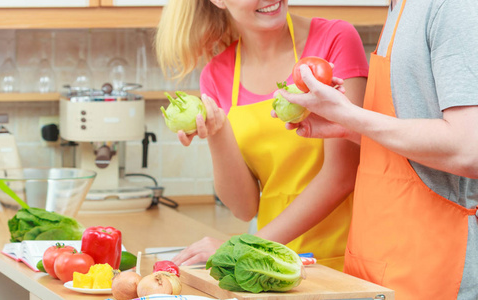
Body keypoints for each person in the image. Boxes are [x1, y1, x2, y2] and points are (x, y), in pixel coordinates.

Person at [275, 0, 478, 299]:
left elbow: (468, 149)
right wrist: (349, 129)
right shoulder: (399, 7)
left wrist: (351, 115)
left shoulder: (451, 5)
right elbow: (418, 151)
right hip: (378, 269)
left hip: (431, 273)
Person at [155, 0, 368, 271]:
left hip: (344, 261)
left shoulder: (334, 39)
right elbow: (244, 207)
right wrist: (218, 132)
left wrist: (245, 246)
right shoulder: (217, 74)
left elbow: (342, 174)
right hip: (271, 266)